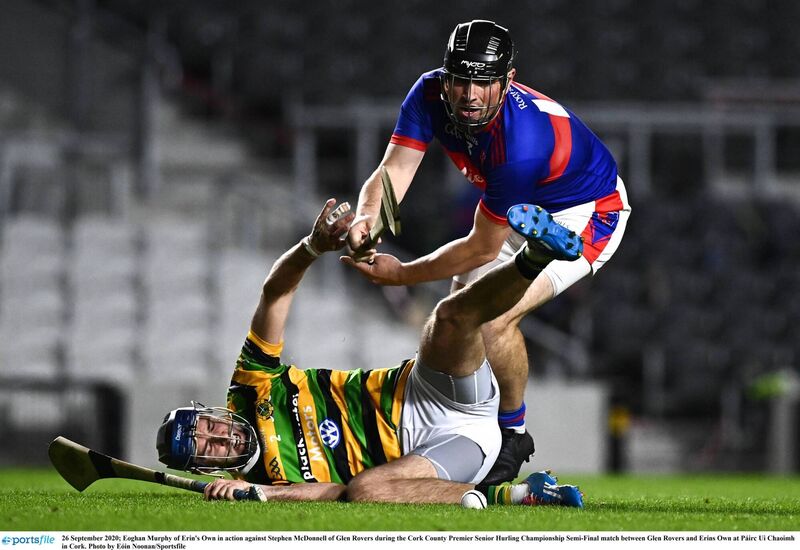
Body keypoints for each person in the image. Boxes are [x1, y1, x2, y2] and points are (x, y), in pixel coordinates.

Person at [344, 20, 631, 485]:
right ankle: (466, 433)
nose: (470, 94)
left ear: (508, 79)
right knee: (454, 319)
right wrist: (366, 219)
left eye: (484, 81)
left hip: (583, 214)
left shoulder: (522, 144)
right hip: (517, 212)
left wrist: (402, 276)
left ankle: (511, 435)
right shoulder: (429, 94)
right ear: (446, 75)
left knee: (488, 318)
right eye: (461, 78)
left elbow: (481, 248)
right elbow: (393, 171)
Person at [157, 198, 584, 507]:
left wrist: (311, 247)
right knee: (365, 492)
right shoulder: (254, 482)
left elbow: (275, 293)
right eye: (207, 447)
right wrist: (264, 491)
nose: (220, 436)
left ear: (213, 411)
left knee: (449, 317)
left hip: (428, 391)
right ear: (206, 470)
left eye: (208, 426)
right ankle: (522, 494)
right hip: (440, 457)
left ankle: (536, 256)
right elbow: (337, 493)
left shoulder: (249, 386)